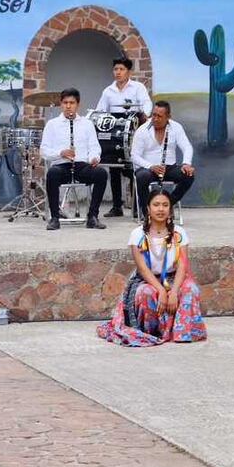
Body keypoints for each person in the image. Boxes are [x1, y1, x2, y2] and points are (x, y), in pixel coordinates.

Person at [97, 188, 207, 346]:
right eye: (156, 205)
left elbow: (183, 265)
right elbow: (142, 269)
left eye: (165, 205)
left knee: (190, 288)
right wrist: (161, 290)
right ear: (148, 208)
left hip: (174, 278)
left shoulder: (179, 233)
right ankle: (153, 332)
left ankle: (183, 332)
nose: (161, 209)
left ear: (170, 209)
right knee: (146, 292)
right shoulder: (138, 234)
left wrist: (174, 291)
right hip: (147, 279)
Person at [39, 88, 107, 230]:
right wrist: (61, 153)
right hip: (61, 165)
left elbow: (94, 147)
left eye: (72, 103)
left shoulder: (87, 124)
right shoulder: (52, 124)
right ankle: (55, 217)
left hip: (82, 165)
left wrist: (94, 158)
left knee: (101, 173)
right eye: (65, 103)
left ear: (78, 104)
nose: (68, 106)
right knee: (52, 174)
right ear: (61, 104)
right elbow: (44, 151)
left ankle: (92, 216)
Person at [96, 57, 151, 217]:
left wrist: (145, 116)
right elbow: (100, 110)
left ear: (128, 72)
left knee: (132, 168)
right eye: (116, 69)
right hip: (115, 132)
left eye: (121, 69)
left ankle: (137, 207)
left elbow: (146, 104)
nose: (118, 72)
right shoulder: (108, 91)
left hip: (133, 130)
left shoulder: (138, 87)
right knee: (114, 168)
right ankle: (117, 207)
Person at [130, 100, 195, 216]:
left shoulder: (176, 127)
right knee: (142, 177)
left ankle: (167, 203)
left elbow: (187, 147)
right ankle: (148, 213)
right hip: (147, 169)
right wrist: (151, 166)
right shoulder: (142, 130)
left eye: (159, 116)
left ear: (168, 117)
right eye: (154, 115)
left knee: (188, 175)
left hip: (169, 168)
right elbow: (134, 155)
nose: (155, 119)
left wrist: (186, 164)